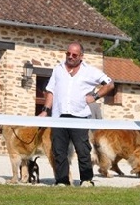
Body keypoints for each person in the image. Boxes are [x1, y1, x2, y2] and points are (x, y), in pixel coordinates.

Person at [39, 41, 114, 187]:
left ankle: (86, 180)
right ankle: (62, 181)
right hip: (59, 116)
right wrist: (45, 110)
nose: (70, 57)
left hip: (80, 116)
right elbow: (51, 91)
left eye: (74, 55)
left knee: (83, 150)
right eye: (68, 54)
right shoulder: (58, 69)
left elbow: (110, 84)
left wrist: (95, 97)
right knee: (59, 150)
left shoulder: (90, 71)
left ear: (81, 56)